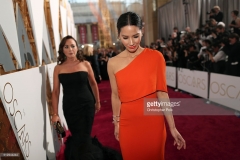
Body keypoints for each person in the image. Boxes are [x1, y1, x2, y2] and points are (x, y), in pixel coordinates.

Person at [107, 12, 186, 160]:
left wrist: (173, 127)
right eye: (125, 38)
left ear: (142, 32)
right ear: (118, 36)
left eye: (135, 36)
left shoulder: (156, 57)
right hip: (127, 123)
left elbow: (163, 94)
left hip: (153, 122)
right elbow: (115, 95)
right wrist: (116, 122)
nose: (131, 42)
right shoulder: (113, 63)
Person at [51, 35, 101, 159]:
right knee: (77, 136)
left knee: (85, 136)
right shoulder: (58, 68)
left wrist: (98, 102)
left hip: (87, 105)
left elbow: (93, 84)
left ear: (77, 48)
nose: (70, 49)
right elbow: (55, 92)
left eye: (72, 46)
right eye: (66, 47)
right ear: (62, 49)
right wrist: (55, 114)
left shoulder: (85, 64)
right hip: (70, 107)